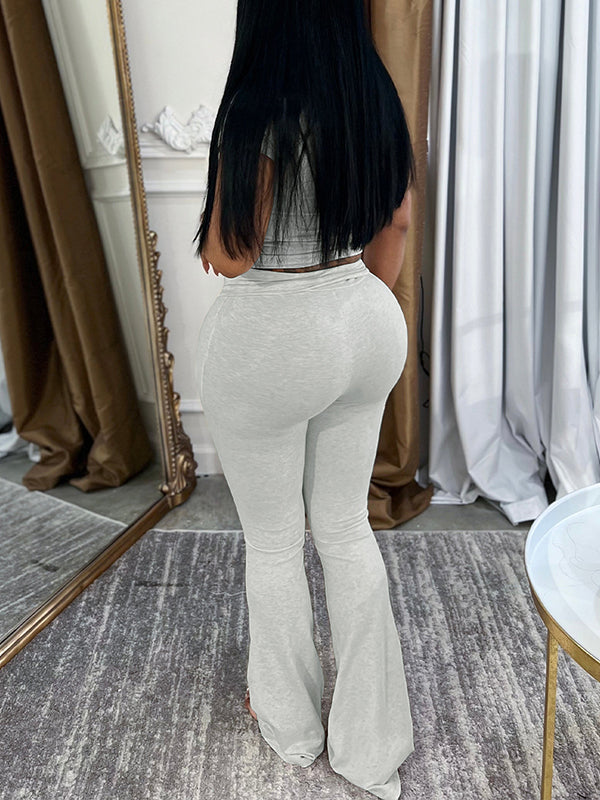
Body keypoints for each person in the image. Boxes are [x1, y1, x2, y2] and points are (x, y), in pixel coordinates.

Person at [192, 1, 416, 798]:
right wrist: (349, 305)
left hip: (274, 338)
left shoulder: (257, 106)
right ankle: (372, 746)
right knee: (347, 529)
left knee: (276, 542)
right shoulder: (373, 93)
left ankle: (290, 726)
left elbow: (232, 254)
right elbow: (396, 221)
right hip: (366, 320)